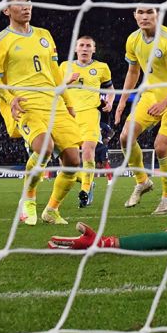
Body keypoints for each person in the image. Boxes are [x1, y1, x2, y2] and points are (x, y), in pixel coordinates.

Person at [0, 0, 82, 225]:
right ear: (7, 10)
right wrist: (10, 99)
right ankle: (28, 197)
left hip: (53, 102)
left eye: (28, 2)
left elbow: (56, 74)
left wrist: (68, 102)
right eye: (19, 3)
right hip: (25, 101)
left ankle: (52, 209)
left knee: (73, 161)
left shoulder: (45, 35)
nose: (26, 6)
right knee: (44, 147)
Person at [114, 0, 167, 215]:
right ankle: (142, 181)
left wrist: (166, 102)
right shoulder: (133, 40)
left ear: (158, 14)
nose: (144, 16)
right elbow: (133, 71)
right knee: (125, 137)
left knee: (161, 147)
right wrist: (122, 101)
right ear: (134, 15)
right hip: (150, 95)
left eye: (149, 11)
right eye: (140, 12)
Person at [60, 36, 113, 208]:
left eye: (88, 46)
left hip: (90, 114)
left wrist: (110, 102)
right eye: (81, 45)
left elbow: (110, 89)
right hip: (68, 115)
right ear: (76, 49)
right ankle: (86, 180)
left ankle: (85, 190)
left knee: (88, 151)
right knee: (67, 164)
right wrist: (67, 81)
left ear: (93, 49)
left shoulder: (101, 67)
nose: (84, 48)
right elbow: (54, 88)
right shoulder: (64, 66)